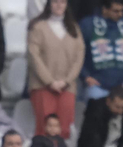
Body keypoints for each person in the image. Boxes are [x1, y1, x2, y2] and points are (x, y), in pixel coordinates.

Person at [27, 0, 82, 139]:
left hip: (67, 88)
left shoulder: (74, 29)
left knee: (64, 130)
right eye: (55, 2)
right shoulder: (38, 27)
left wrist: (66, 81)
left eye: (62, 2)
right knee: (44, 129)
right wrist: (50, 82)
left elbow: (79, 58)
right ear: (49, 4)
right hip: (42, 86)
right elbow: (34, 56)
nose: (59, 5)